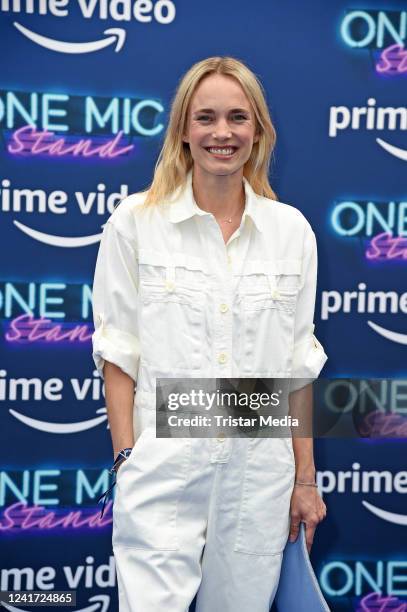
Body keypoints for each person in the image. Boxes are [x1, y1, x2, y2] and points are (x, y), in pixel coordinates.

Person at [92, 55, 328, 612]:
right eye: (206, 118)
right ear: (183, 130)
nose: (222, 133)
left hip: (258, 475)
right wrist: (128, 459)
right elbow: (119, 354)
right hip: (163, 465)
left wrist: (305, 480)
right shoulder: (135, 222)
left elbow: (296, 365)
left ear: (259, 132)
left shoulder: (291, 230)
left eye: (238, 118)